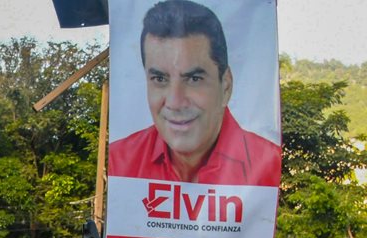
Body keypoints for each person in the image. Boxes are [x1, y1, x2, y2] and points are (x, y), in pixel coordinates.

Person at [108, 0, 281, 187]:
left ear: (226, 86)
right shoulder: (122, 158)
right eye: (159, 79)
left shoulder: (266, 162)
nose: (175, 102)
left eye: (194, 79)